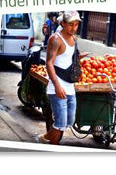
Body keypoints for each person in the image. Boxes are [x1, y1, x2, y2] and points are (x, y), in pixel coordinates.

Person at [39, 10, 82, 145]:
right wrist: (57, 86)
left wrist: (80, 57)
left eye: (76, 25)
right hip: (57, 87)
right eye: (70, 25)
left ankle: (44, 137)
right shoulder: (55, 39)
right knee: (60, 124)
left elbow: (69, 58)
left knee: (69, 121)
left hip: (70, 87)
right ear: (63, 23)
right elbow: (49, 63)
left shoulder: (74, 39)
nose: (73, 28)